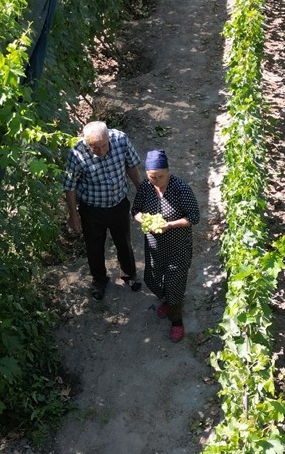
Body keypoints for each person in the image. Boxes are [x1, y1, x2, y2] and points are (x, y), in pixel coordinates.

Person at [63, 121, 143, 300]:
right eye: (95, 147)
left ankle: (129, 274)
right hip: (92, 209)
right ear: (86, 142)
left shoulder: (121, 139)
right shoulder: (76, 152)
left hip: (118, 203)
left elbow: (131, 165)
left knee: (123, 241)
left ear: (109, 138)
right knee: (94, 246)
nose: (101, 151)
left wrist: (141, 190)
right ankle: (99, 280)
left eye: (104, 146)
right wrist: (73, 215)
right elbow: (70, 186)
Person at [131, 149, 200, 342]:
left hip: (178, 246)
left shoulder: (181, 189)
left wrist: (169, 224)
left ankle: (177, 321)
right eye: (152, 177)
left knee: (174, 284)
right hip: (154, 246)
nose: (156, 181)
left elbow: (194, 217)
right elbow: (135, 210)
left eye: (160, 176)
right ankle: (167, 300)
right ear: (147, 174)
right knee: (154, 278)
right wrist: (143, 219)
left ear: (168, 172)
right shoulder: (145, 187)